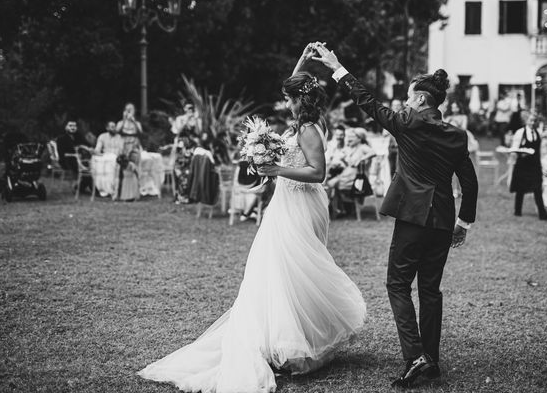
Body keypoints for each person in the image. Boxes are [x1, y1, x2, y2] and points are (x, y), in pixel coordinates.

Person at [138, 45, 365, 392]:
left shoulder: (308, 130)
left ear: (300, 101)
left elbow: (317, 172)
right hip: (286, 203)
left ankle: (300, 343)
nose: (285, 104)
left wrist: (277, 168)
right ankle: (286, 340)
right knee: (275, 269)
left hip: (304, 204)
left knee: (296, 268)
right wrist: (304, 61)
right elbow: (295, 87)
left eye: (290, 99)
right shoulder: (299, 123)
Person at [312, 43, 478, 388]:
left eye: (407, 96)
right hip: (444, 219)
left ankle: (415, 356)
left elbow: (369, 104)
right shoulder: (457, 136)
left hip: (413, 219)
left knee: (397, 284)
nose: (404, 101)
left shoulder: (408, 124)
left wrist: (337, 67)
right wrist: (463, 222)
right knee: (430, 289)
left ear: (420, 100)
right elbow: (470, 182)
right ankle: (430, 360)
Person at [509, 111, 547, 220]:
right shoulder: (520, 133)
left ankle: (542, 213)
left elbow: (540, 150)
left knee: (537, 187)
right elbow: (514, 149)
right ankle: (517, 210)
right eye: (530, 120)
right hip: (522, 164)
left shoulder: (538, 133)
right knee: (520, 188)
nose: (532, 123)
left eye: (534, 121)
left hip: (535, 164)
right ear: (526, 121)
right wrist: (519, 154)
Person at [325, 127, 375, 216]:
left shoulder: (363, 147)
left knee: (329, 184)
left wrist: (361, 159)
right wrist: (343, 160)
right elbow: (350, 164)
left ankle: (329, 209)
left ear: (359, 138)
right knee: (329, 182)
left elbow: (373, 153)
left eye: (353, 136)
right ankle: (337, 209)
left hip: (356, 180)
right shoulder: (351, 148)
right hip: (347, 176)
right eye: (349, 136)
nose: (349, 138)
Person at [114, 103, 142, 201]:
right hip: (124, 145)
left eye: (131, 109)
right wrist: (124, 119)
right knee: (122, 169)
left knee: (134, 168)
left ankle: (135, 194)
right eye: (127, 109)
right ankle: (120, 193)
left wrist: (133, 121)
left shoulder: (137, 123)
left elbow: (140, 132)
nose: (129, 111)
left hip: (134, 145)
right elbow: (117, 131)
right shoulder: (121, 123)